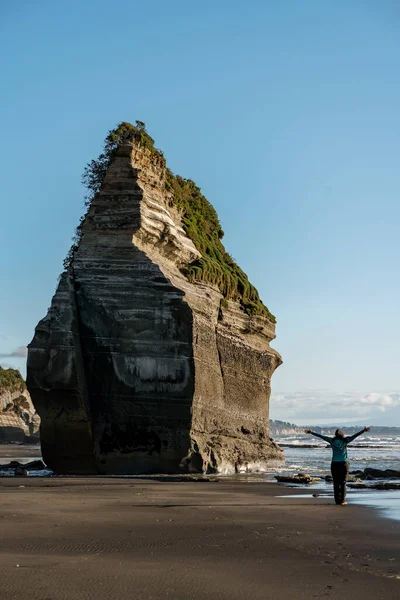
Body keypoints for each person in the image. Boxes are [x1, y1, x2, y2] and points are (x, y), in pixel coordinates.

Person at [303, 426, 371, 505]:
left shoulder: (332, 440)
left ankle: (337, 501)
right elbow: (355, 436)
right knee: (343, 482)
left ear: (335, 435)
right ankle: (342, 501)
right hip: (344, 464)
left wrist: (311, 432)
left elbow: (322, 437)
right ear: (342, 435)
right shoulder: (346, 440)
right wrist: (363, 430)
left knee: (336, 483)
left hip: (334, 464)